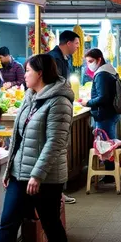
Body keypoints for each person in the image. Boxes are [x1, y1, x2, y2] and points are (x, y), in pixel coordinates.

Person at [0, 54, 73, 242]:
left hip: (46, 177)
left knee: (51, 225)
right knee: (7, 224)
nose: (25, 75)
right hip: (19, 174)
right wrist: (9, 170)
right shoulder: (29, 96)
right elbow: (18, 136)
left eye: (28, 71)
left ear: (40, 73)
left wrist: (37, 175)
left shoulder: (59, 101)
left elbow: (55, 142)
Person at [81, 49, 121, 185]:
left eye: (90, 61)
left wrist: (87, 102)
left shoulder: (101, 74)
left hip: (104, 115)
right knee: (107, 143)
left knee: (108, 146)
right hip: (111, 114)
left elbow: (103, 97)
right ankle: (110, 174)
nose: (89, 65)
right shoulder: (110, 71)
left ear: (99, 59)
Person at [45, 30, 80, 205]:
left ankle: (58, 191)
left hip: (62, 108)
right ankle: (56, 192)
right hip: (56, 110)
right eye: (76, 44)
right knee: (57, 151)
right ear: (67, 43)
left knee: (61, 151)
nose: (77, 47)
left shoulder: (66, 59)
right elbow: (56, 85)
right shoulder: (53, 59)